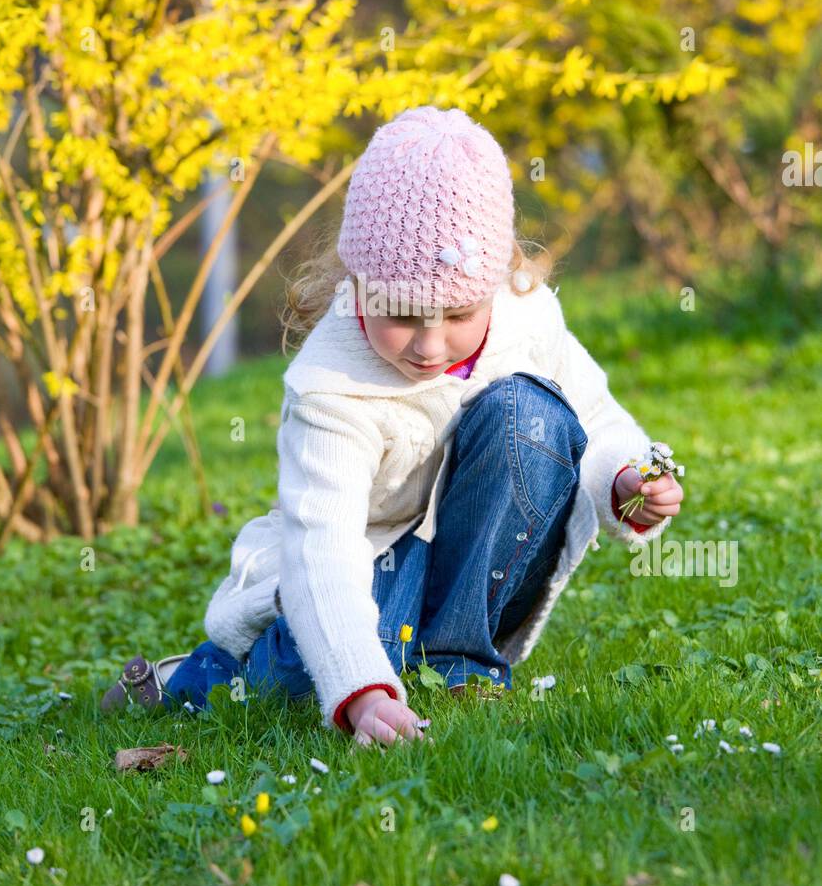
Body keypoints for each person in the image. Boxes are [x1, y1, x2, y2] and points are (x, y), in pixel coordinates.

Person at [100, 106, 683, 746]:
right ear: (357, 285)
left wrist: (624, 479)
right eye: (401, 313)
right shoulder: (331, 387)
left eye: (458, 313)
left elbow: (595, 420)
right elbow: (322, 551)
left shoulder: (525, 317)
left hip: (476, 567)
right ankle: (202, 677)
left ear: (495, 281)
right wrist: (362, 692)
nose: (429, 346)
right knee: (320, 668)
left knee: (534, 415)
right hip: (367, 571)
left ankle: (460, 665)